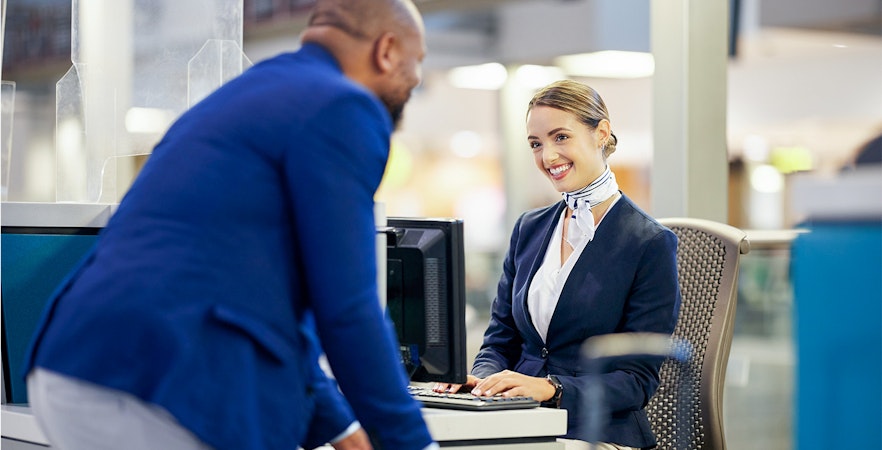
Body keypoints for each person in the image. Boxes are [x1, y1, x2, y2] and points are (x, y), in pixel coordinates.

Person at [22, 1, 435, 449]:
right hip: (169, 379)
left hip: (80, 365)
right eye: (418, 63)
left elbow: (255, 301)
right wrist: (412, 442)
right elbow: (348, 307)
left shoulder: (246, 95)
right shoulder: (343, 107)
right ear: (388, 50)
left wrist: (344, 430)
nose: (415, 79)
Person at [435, 80, 681, 450]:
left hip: (598, 433)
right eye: (536, 143)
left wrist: (553, 388)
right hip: (520, 421)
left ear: (601, 133)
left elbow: (636, 380)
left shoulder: (648, 242)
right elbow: (500, 339)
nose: (547, 157)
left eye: (560, 137)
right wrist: (482, 380)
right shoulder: (529, 229)